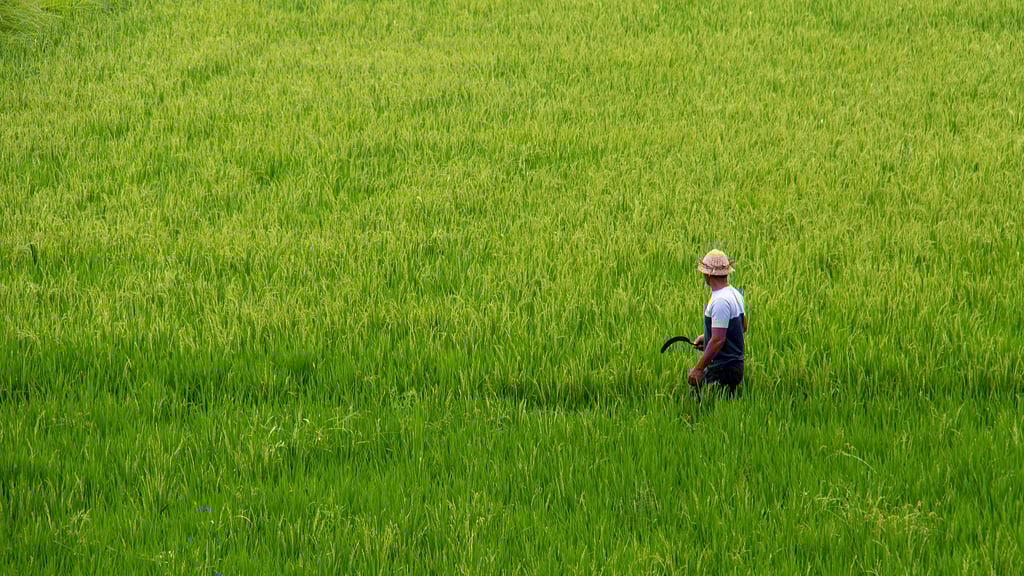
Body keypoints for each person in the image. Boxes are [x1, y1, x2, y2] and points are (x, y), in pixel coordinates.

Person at [687, 249, 746, 396]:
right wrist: (706, 337)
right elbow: (742, 327)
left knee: (708, 410)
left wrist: (698, 369)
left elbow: (718, 339)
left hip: (722, 371)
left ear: (707, 274)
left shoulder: (720, 301)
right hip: (736, 367)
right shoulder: (735, 294)